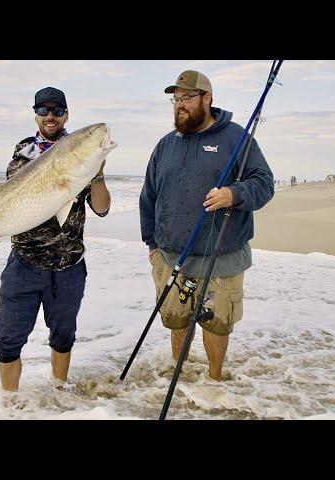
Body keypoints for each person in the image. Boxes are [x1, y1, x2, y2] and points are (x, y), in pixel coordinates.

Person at [0, 87, 111, 392]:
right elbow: (9, 207)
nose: (50, 116)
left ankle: (58, 394)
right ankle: (9, 405)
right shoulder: (21, 157)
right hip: (24, 264)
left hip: (69, 264)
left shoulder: (80, 157)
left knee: (63, 338)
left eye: (57, 111)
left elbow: (101, 209)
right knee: (7, 341)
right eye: (44, 110)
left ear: (66, 115)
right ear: (35, 114)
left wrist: (97, 173)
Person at [139, 70, 274, 381]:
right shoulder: (165, 145)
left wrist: (233, 194)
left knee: (216, 322)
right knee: (176, 319)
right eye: (176, 99)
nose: (180, 105)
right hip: (172, 258)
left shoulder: (236, 138)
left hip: (221, 261)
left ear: (207, 99)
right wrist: (152, 246)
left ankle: (214, 381)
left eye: (187, 98)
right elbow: (148, 196)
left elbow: (264, 184)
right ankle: (180, 375)